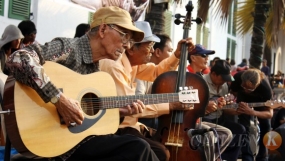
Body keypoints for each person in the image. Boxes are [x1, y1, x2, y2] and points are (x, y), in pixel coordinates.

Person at [6, 6, 160, 161]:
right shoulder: (69, 48)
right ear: (103, 30)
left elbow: (85, 118)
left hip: (77, 142)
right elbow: (18, 59)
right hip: (59, 145)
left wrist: (119, 112)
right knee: (138, 148)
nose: (127, 45)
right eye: (124, 36)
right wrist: (58, 99)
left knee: (150, 151)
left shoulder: (96, 68)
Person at [100, 21, 195, 161]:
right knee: (161, 153)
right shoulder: (115, 66)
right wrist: (171, 105)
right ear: (131, 48)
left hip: (132, 125)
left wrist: (177, 55)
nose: (152, 51)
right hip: (117, 128)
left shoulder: (132, 64)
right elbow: (131, 106)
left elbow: (156, 72)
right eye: (149, 46)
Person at [186, 46, 232, 161]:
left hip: (198, 120)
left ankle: (211, 158)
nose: (207, 58)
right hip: (187, 121)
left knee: (227, 134)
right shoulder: (186, 74)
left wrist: (213, 106)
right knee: (210, 135)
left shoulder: (199, 76)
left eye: (207, 56)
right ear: (193, 58)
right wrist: (206, 106)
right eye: (204, 55)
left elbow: (201, 107)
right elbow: (183, 103)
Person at [202, 59, 246, 161]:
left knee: (240, 130)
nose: (224, 82)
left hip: (219, 119)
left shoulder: (224, 85)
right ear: (213, 74)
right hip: (204, 119)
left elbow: (224, 109)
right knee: (214, 134)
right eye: (222, 79)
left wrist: (236, 110)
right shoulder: (202, 82)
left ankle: (226, 158)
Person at [229, 68, 273, 161]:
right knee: (244, 127)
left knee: (266, 126)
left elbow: (270, 113)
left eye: (249, 89)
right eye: (244, 87)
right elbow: (232, 92)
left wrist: (252, 112)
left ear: (257, 85)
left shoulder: (265, 88)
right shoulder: (237, 77)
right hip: (243, 101)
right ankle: (247, 156)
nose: (246, 90)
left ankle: (263, 155)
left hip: (260, 102)